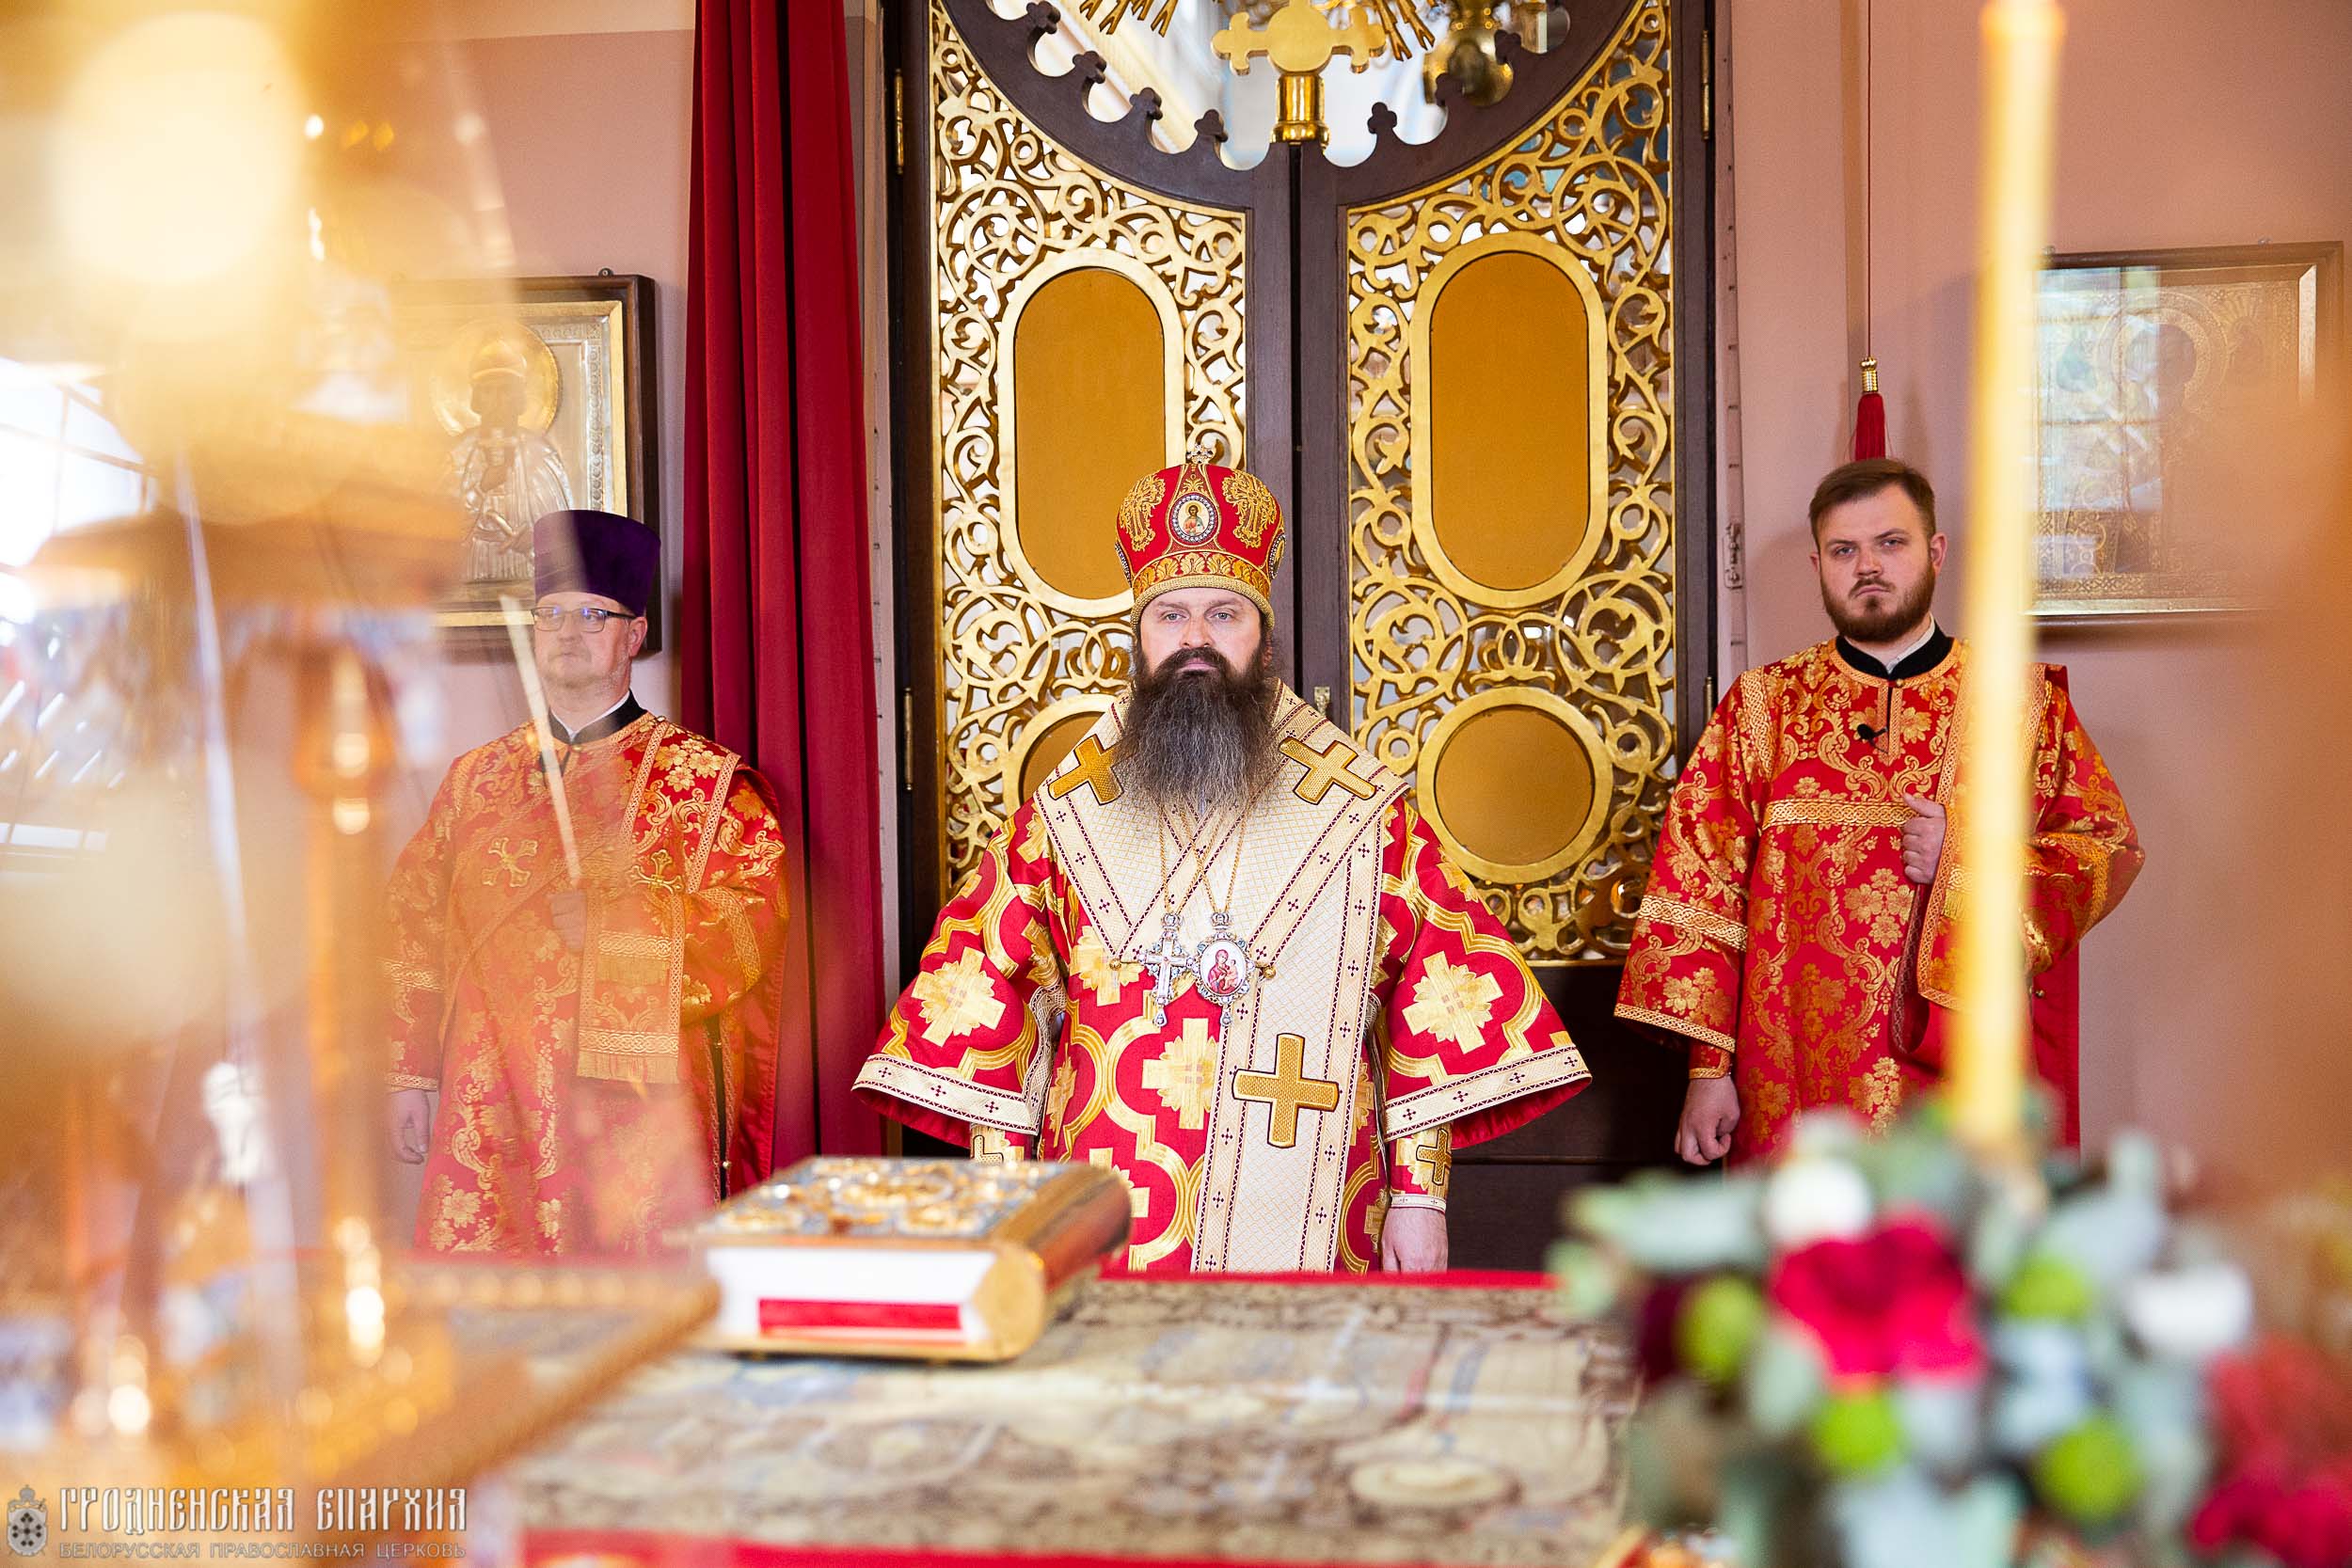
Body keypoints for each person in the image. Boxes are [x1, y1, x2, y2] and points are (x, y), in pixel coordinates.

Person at [856, 450, 1591, 1273]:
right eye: (1170, 615)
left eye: (1224, 614)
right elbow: (990, 1010)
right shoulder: (1063, 820)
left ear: (1264, 640)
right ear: (1138, 638)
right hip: (1103, 1225)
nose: (1195, 639)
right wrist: (1003, 1202)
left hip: (1314, 1217)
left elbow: (1437, 1001)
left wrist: (1421, 1199)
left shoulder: (1364, 814)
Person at [1617, 458, 2142, 1165]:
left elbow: (2102, 847)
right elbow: (1701, 889)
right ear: (1818, 565)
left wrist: (1966, 858)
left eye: (1891, 542)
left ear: (1935, 550)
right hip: (1791, 1074)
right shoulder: (1762, 707)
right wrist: (1708, 1071)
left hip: (1957, 1074)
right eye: (1844, 550)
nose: (1868, 565)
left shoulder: (2023, 704)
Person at [385, 509, 788, 1253]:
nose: (567, 632)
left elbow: (752, 924)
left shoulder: (706, 785)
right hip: (489, 1110)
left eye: (592, 614)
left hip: (630, 1121)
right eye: (552, 614)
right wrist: (409, 1072)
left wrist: (624, 922)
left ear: (634, 635)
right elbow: (413, 920)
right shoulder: (474, 781)